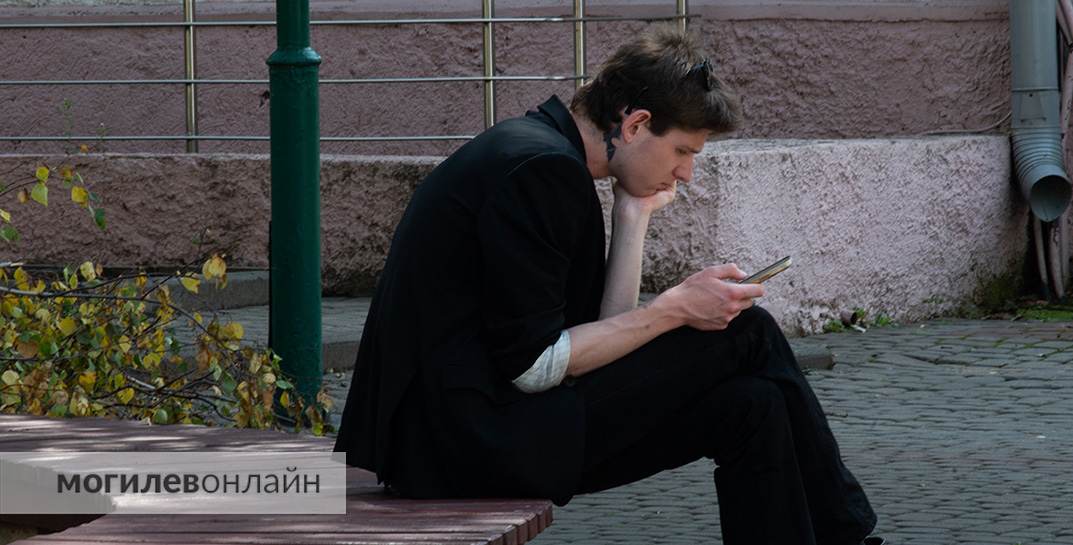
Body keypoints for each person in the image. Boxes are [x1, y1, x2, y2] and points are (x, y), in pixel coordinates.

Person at [335, 26, 880, 545]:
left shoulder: (543, 152)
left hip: (475, 432)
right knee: (748, 332)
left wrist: (632, 215)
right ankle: (847, 533)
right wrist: (672, 310)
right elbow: (534, 366)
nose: (686, 174)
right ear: (636, 124)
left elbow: (593, 342)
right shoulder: (539, 170)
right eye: (683, 151)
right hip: (462, 446)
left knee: (753, 405)